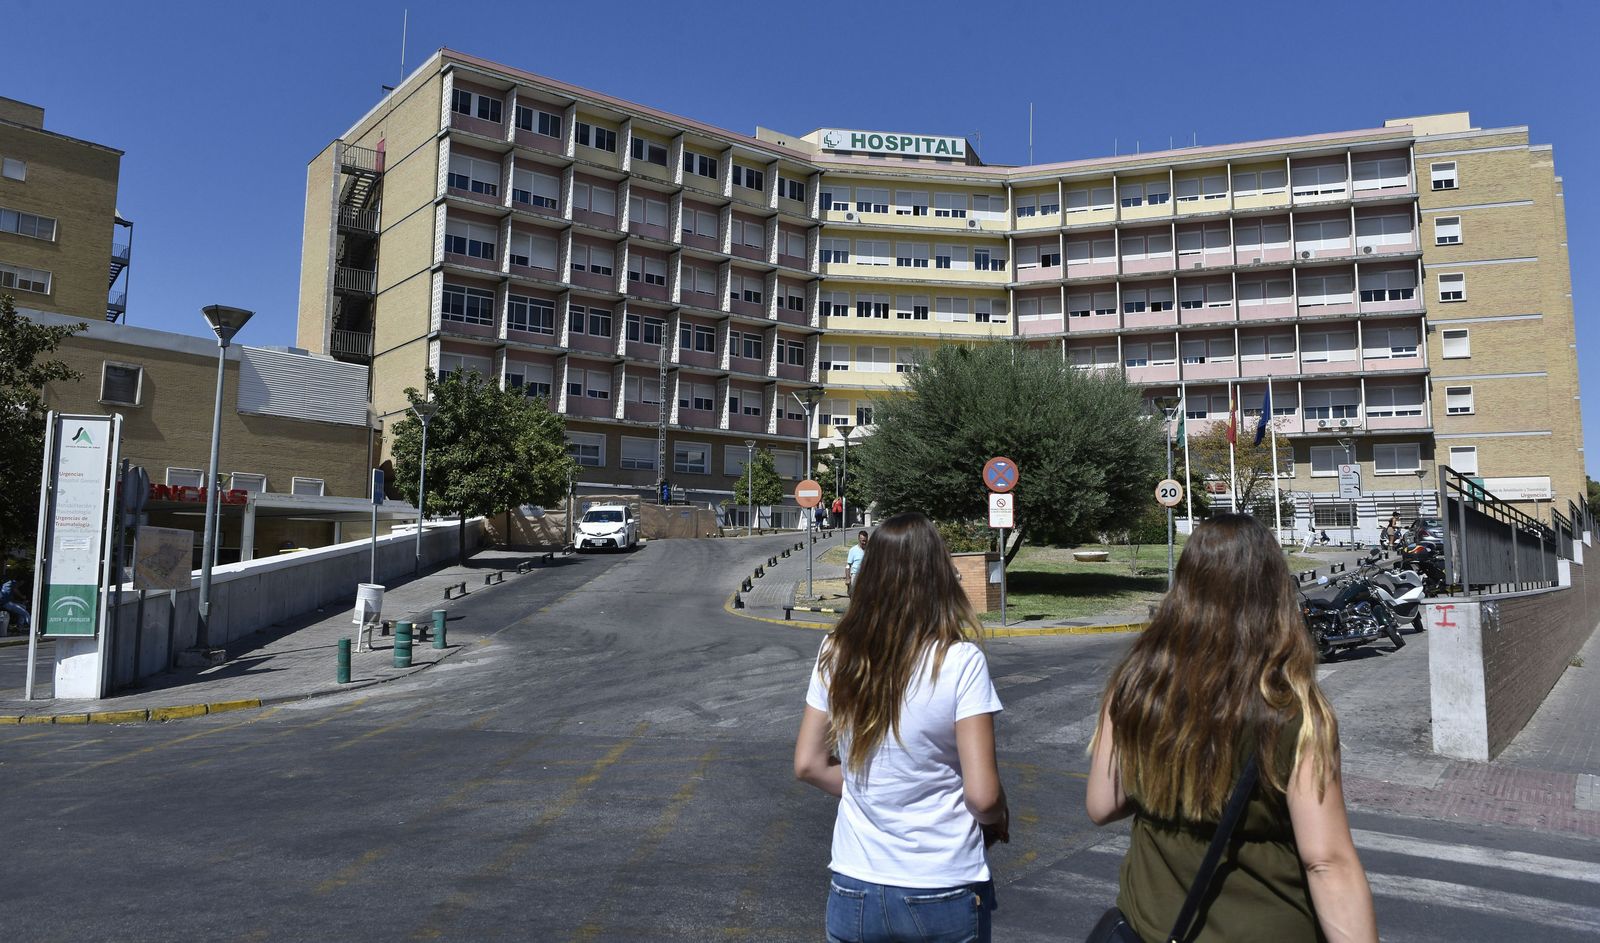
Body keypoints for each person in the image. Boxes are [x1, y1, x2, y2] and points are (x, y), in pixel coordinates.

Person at [1085, 514, 1377, 943]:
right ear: (1273, 591)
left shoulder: (1136, 686)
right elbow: (1326, 861)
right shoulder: (1291, 710)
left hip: (1151, 926)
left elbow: (1102, 804)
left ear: (1185, 586)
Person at [794, 512, 1009, 943]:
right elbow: (982, 796)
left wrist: (871, 787)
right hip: (941, 886)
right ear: (938, 575)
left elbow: (808, 764)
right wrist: (999, 815)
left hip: (854, 884)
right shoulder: (960, 661)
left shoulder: (835, 651)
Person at [844, 530, 868, 596]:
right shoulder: (853, 550)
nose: (864, 542)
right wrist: (848, 579)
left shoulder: (869, 550)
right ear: (859, 539)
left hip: (866, 575)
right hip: (855, 575)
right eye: (862, 540)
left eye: (865, 540)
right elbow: (848, 566)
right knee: (854, 594)